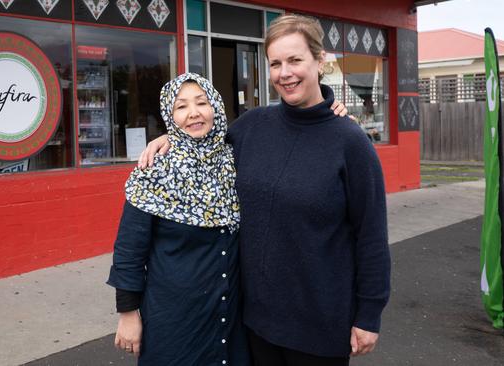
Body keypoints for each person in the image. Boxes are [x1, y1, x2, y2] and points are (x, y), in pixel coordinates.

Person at [138, 13, 390, 366]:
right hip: (255, 323)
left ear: (320, 61)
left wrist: (369, 314)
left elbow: (372, 236)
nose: (285, 73)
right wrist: (171, 137)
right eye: (275, 63)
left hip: (319, 326)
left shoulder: (349, 141)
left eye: (295, 60)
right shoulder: (253, 127)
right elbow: (203, 142)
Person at [107, 73, 250, 365]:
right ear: (170, 117)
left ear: (217, 109)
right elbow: (129, 250)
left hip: (229, 317)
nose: (194, 113)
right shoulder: (154, 170)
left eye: (202, 102)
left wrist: (332, 109)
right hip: (173, 322)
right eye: (181, 107)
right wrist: (128, 314)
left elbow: (287, 124)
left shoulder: (237, 160)